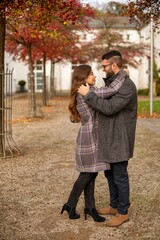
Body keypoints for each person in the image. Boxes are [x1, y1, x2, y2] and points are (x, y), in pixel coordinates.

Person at [78, 50, 137, 227]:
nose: (102, 69)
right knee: (110, 174)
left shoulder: (127, 85)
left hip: (119, 138)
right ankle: (114, 205)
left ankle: (123, 211)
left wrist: (88, 95)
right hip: (108, 136)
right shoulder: (112, 83)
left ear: (114, 65)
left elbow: (110, 107)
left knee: (120, 175)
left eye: (104, 66)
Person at [61, 64, 127, 222]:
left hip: (89, 137)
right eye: (91, 74)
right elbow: (111, 90)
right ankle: (70, 204)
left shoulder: (84, 90)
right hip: (90, 138)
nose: (95, 76)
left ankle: (90, 208)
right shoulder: (86, 91)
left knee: (91, 173)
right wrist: (123, 73)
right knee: (87, 173)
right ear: (83, 77)